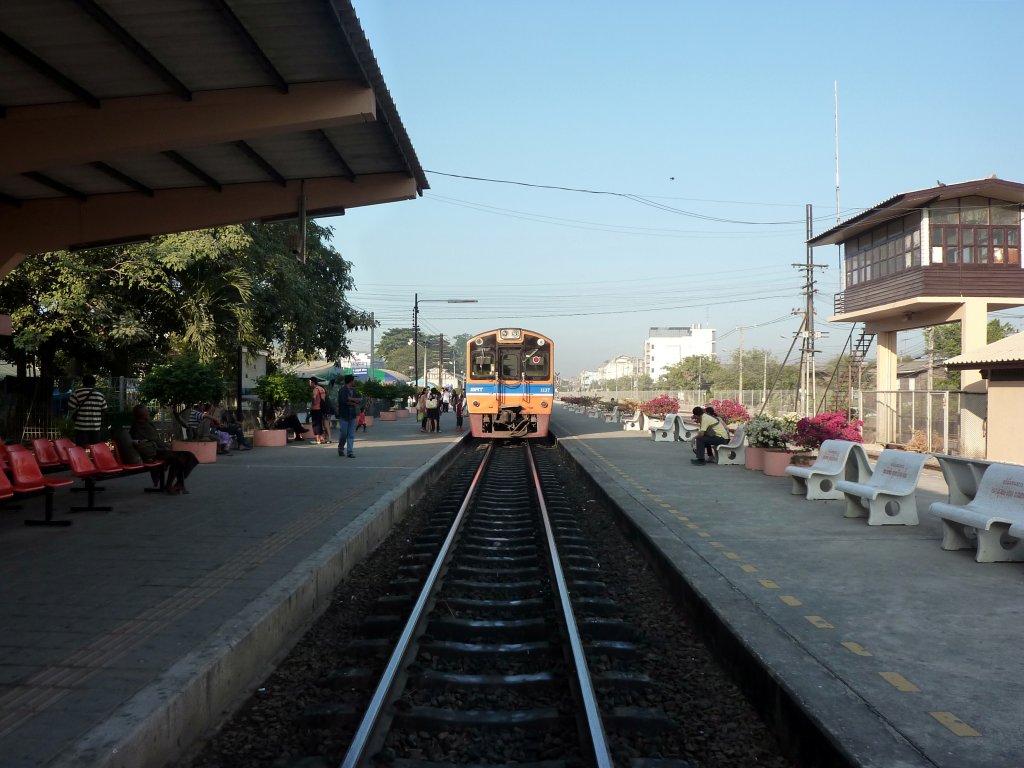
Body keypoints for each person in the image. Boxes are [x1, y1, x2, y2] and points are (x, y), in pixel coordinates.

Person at [129, 404, 200, 495]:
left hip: (160, 450)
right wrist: (167, 446)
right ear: (142, 414)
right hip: (153, 453)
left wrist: (166, 446)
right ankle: (169, 485)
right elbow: (152, 441)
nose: (148, 413)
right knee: (178, 460)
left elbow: (156, 440)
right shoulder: (138, 426)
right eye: (146, 411)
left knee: (190, 456)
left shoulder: (146, 423)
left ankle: (180, 484)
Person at [68, 374, 107, 447]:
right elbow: (104, 410)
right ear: (94, 383)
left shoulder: (77, 393)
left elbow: (71, 407)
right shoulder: (100, 395)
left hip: (81, 427)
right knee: (95, 449)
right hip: (95, 427)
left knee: (80, 449)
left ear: (83, 382)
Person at [336, 374, 361, 458]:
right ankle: (340, 448)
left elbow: (359, 399)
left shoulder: (354, 390)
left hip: (352, 415)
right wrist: (352, 402)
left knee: (351, 435)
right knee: (344, 433)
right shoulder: (342, 390)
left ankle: (350, 452)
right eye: (353, 380)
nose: (354, 382)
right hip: (344, 415)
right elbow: (344, 401)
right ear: (351, 381)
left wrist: (351, 399)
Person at [308, 377, 328, 445]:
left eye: (310, 382)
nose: (309, 384)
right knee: (320, 423)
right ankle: (322, 438)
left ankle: (318, 439)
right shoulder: (321, 388)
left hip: (315, 408)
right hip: (321, 408)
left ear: (313, 382)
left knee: (316, 424)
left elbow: (314, 398)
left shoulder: (315, 389)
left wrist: (312, 404)